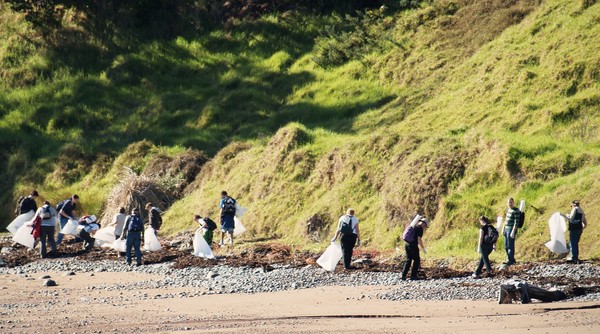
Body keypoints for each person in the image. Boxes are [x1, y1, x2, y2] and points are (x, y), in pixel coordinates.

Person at [502, 197, 520, 266]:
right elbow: (506, 220)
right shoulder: (509, 210)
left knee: (510, 245)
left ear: (513, 202)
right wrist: (503, 228)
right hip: (506, 228)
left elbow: (516, 222)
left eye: (511, 202)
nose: (510, 204)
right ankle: (509, 258)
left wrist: (513, 231)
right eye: (509, 202)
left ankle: (511, 259)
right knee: (506, 245)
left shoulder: (516, 211)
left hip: (511, 228)